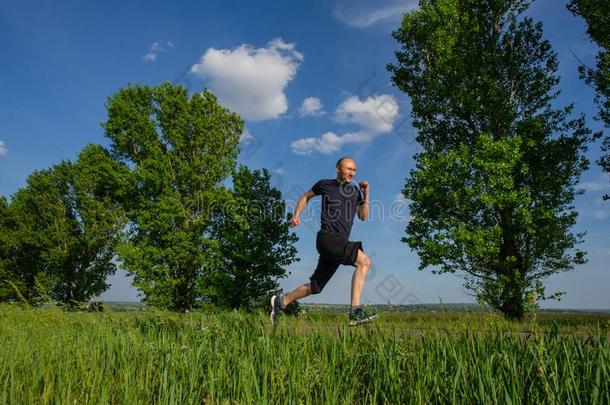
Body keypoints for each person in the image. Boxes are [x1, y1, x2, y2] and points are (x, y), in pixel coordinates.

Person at [270, 156, 377, 326]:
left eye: (354, 170)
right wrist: (296, 215)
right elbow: (306, 196)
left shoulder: (355, 191)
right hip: (327, 238)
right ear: (338, 168)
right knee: (365, 262)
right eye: (348, 169)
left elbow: (363, 216)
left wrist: (366, 194)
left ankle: (281, 302)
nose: (352, 173)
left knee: (316, 287)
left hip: (338, 243)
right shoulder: (325, 184)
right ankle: (355, 311)